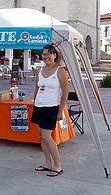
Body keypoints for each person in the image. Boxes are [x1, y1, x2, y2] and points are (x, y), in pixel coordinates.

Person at [31, 44, 69, 177]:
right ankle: (48, 163)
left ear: (55, 55)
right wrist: (34, 101)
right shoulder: (39, 70)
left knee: (47, 137)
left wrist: (60, 111)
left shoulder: (60, 70)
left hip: (51, 108)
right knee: (41, 136)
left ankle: (58, 165)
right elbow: (37, 88)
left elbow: (65, 93)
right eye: (44, 54)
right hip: (39, 107)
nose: (46, 57)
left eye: (48, 54)